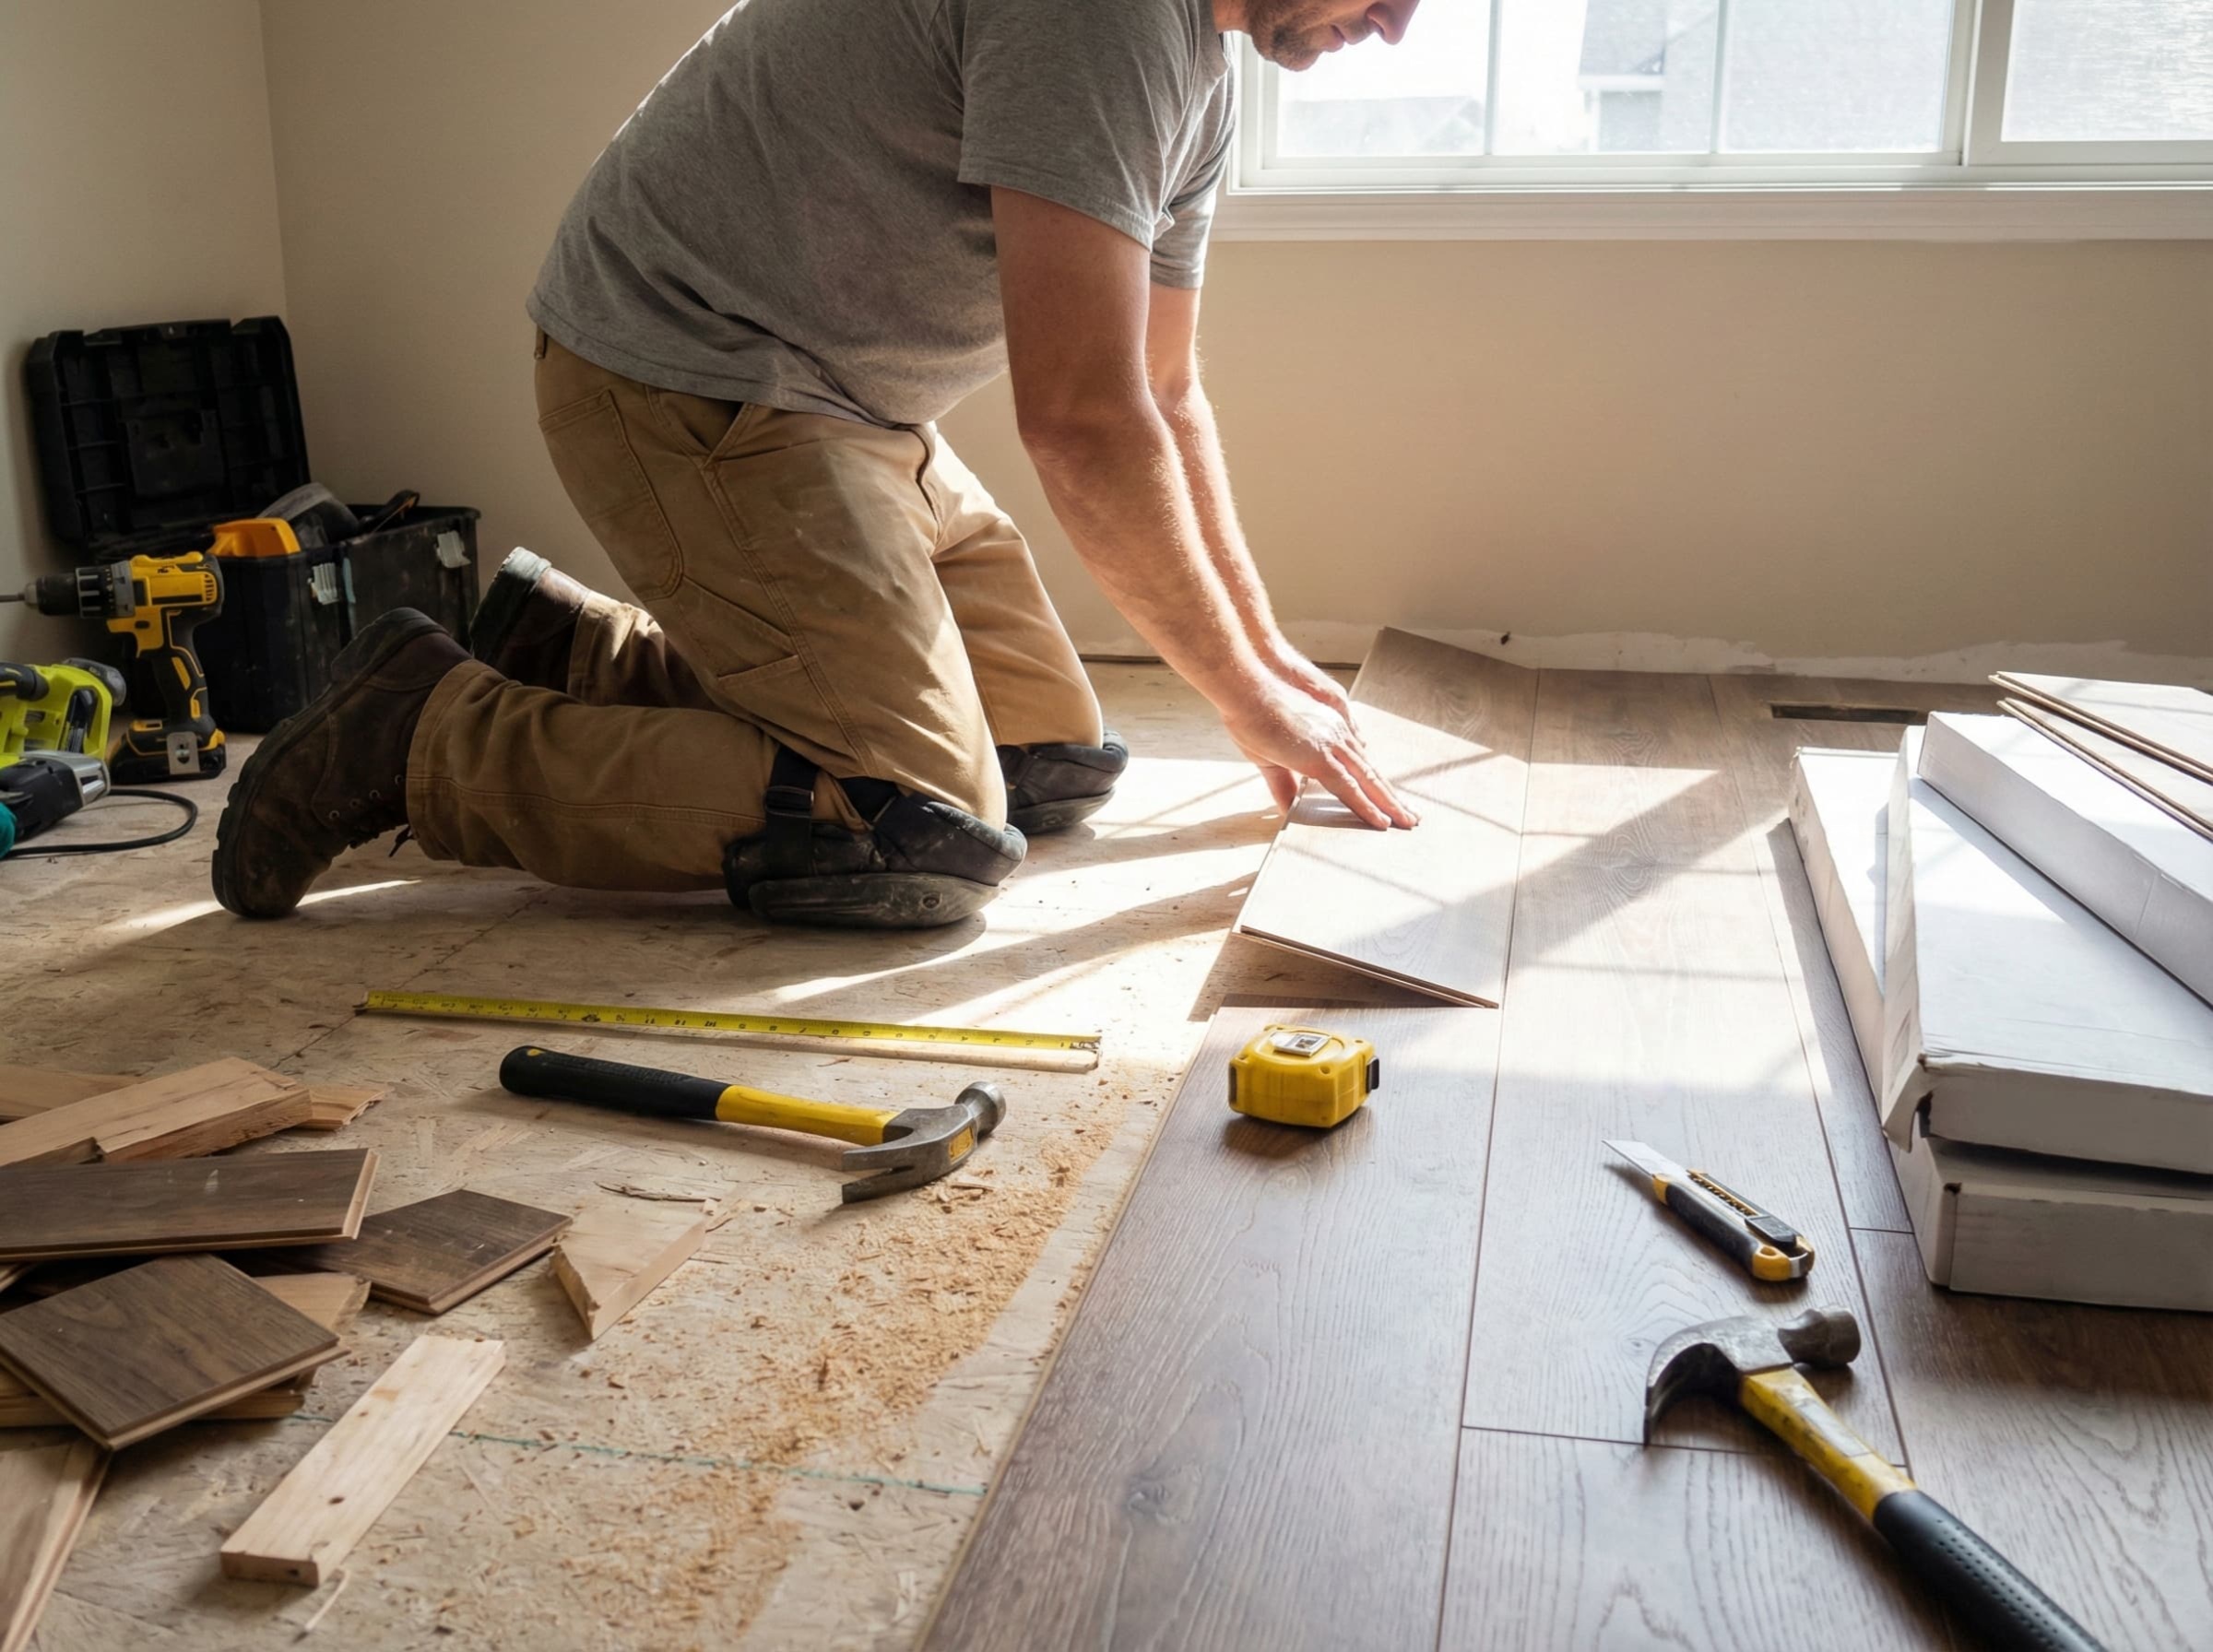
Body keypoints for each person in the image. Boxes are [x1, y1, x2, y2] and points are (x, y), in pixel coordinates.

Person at [213, 0, 1420, 930]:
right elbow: (1082, 422)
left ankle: (574, 652)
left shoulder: (1195, 81)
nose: (1402, 18)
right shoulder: (1096, 20)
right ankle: (423, 734)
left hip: (856, 414)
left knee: (1038, 758)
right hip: (695, 374)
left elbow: (1164, 394)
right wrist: (1242, 699)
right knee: (913, 827)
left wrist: (1269, 669)